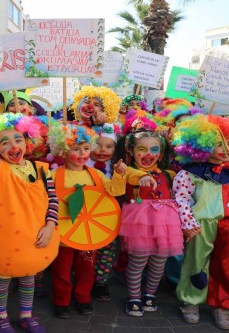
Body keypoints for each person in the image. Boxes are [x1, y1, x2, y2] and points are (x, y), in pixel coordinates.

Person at [0, 113, 60, 333]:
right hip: (7, 237)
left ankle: (26, 315)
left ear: (27, 142)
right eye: (4, 142)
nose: (13, 145)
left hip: (36, 233)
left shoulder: (41, 169)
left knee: (29, 275)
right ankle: (0, 317)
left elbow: (53, 199)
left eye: (18, 139)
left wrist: (50, 226)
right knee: (3, 277)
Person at [171, 115, 229, 330]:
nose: (224, 148)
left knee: (227, 266)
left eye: (228, 143)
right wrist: (188, 222)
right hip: (200, 226)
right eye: (216, 144)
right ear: (199, 146)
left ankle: (223, 305)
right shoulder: (188, 174)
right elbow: (181, 199)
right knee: (196, 263)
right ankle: (190, 301)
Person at [47, 123, 128, 319]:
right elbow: (44, 201)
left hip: (89, 235)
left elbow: (115, 191)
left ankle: (83, 298)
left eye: (85, 148)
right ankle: (62, 300)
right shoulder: (54, 175)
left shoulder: (97, 175)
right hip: (63, 236)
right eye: (76, 149)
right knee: (62, 271)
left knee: (87, 269)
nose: (83, 153)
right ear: (63, 151)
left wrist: (120, 174)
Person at [120, 116, 183, 317]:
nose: (149, 154)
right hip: (140, 224)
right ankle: (134, 297)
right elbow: (129, 175)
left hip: (166, 225)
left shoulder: (168, 174)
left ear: (162, 152)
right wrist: (142, 177)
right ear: (131, 151)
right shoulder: (128, 172)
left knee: (159, 263)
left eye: (154, 149)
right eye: (142, 149)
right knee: (138, 262)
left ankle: (150, 294)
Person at [87, 123, 122, 302]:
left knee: (107, 250)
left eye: (109, 146)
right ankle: (84, 280)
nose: (103, 149)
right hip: (85, 215)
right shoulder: (82, 164)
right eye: (97, 144)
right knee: (86, 250)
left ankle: (101, 282)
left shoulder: (117, 166)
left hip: (108, 216)